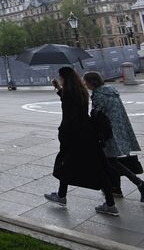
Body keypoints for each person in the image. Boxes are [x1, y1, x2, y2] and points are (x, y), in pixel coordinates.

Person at [44, 66, 119, 216]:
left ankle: (62, 196)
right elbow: (71, 102)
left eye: (60, 78)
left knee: (65, 163)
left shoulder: (69, 93)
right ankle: (63, 196)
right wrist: (59, 89)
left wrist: (62, 133)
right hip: (87, 132)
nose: (60, 80)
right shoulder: (80, 91)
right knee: (96, 166)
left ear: (63, 78)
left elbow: (70, 116)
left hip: (74, 135)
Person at [83, 71, 144, 202]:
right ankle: (115, 188)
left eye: (85, 81)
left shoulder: (98, 95)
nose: (85, 84)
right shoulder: (111, 91)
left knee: (110, 161)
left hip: (108, 132)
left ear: (91, 82)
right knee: (112, 160)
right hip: (121, 129)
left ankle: (139, 183)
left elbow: (97, 116)